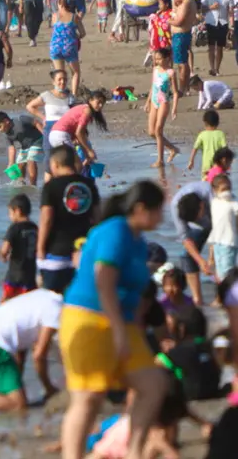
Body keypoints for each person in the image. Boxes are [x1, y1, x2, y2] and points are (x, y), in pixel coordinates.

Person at [59, 181, 169, 459]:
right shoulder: (115, 230)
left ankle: (134, 453)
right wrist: (119, 331)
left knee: (153, 385)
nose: (162, 217)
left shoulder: (138, 241)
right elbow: (103, 281)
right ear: (141, 208)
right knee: (88, 399)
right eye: (159, 211)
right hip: (89, 320)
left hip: (124, 323)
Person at [0, 283, 63, 413]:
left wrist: (18, 377)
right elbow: (39, 356)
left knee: (10, 396)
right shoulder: (55, 311)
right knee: (18, 404)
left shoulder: (45, 295)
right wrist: (49, 388)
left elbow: (21, 332)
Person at [37, 145, 100, 292]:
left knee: (53, 299)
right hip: (83, 250)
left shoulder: (51, 186)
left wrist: (40, 248)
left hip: (57, 251)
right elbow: (98, 219)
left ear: (55, 164)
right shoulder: (89, 184)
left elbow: (46, 219)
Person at [171, 181, 214, 306]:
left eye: (197, 217)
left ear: (202, 206)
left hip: (222, 221)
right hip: (197, 228)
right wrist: (201, 261)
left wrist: (211, 258)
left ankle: (222, 299)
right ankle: (197, 300)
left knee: (223, 253)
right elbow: (185, 238)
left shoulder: (209, 194)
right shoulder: (176, 206)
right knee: (187, 256)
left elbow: (218, 228)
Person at [26, 69, 74, 181]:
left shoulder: (70, 97)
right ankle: (47, 190)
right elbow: (30, 106)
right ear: (53, 81)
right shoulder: (46, 95)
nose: (62, 82)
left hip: (65, 130)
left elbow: (74, 114)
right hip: (50, 129)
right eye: (59, 79)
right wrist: (43, 117)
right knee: (49, 160)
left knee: (65, 159)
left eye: (65, 79)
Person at [49, 91, 108, 166]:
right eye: (98, 102)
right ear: (90, 100)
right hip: (61, 135)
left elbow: (79, 136)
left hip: (53, 135)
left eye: (102, 103)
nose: (100, 105)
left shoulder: (82, 108)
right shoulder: (87, 110)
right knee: (75, 164)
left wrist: (86, 155)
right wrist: (89, 151)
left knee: (68, 165)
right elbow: (79, 133)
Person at [0, 194, 39, 301]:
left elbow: (5, 250)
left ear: (17, 211)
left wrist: (3, 256)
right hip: (30, 276)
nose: (10, 216)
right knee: (27, 305)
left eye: (10, 213)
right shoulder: (34, 228)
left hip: (14, 275)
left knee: (6, 302)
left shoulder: (14, 228)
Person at [145, 47, 180, 167]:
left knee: (158, 130)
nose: (157, 61)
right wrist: (147, 102)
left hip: (164, 102)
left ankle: (160, 161)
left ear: (167, 58)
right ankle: (172, 148)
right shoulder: (155, 69)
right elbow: (152, 86)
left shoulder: (171, 73)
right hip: (154, 101)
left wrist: (174, 109)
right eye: (156, 59)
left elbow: (175, 92)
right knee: (151, 132)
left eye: (159, 59)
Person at [0, 111, 44, 185]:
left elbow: (36, 122)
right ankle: (21, 182)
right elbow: (11, 148)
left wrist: (45, 134)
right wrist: (11, 163)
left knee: (30, 160)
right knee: (20, 163)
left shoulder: (21, 120)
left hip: (37, 141)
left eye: (0, 127)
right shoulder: (6, 134)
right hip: (25, 146)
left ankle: (33, 184)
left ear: (6, 121)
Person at [50, 0, 86, 96]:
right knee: (75, 73)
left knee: (60, 73)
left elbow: (54, 30)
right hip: (69, 46)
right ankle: (73, 96)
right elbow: (83, 33)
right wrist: (75, 36)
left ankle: (60, 94)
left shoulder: (54, 16)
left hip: (55, 46)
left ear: (60, 5)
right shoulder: (74, 17)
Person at [209, 174, 238, 283]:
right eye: (224, 189)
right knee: (219, 272)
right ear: (215, 190)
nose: (227, 192)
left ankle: (228, 296)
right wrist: (211, 254)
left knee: (227, 272)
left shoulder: (233, 201)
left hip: (229, 242)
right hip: (217, 242)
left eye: (229, 188)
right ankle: (222, 295)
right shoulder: (215, 203)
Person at [201, 0, 232, 77]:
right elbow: (202, 9)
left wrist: (231, 26)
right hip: (211, 23)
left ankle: (217, 69)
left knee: (219, 48)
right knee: (211, 47)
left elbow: (230, 11)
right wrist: (211, 7)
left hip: (223, 23)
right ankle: (212, 68)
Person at [170, 0, 198, 90]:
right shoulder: (187, 2)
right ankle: (185, 87)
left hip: (180, 35)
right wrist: (175, 3)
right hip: (183, 35)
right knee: (183, 61)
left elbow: (179, 21)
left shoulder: (186, 3)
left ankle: (182, 88)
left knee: (181, 63)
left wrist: (166, 21)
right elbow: (175, 13)